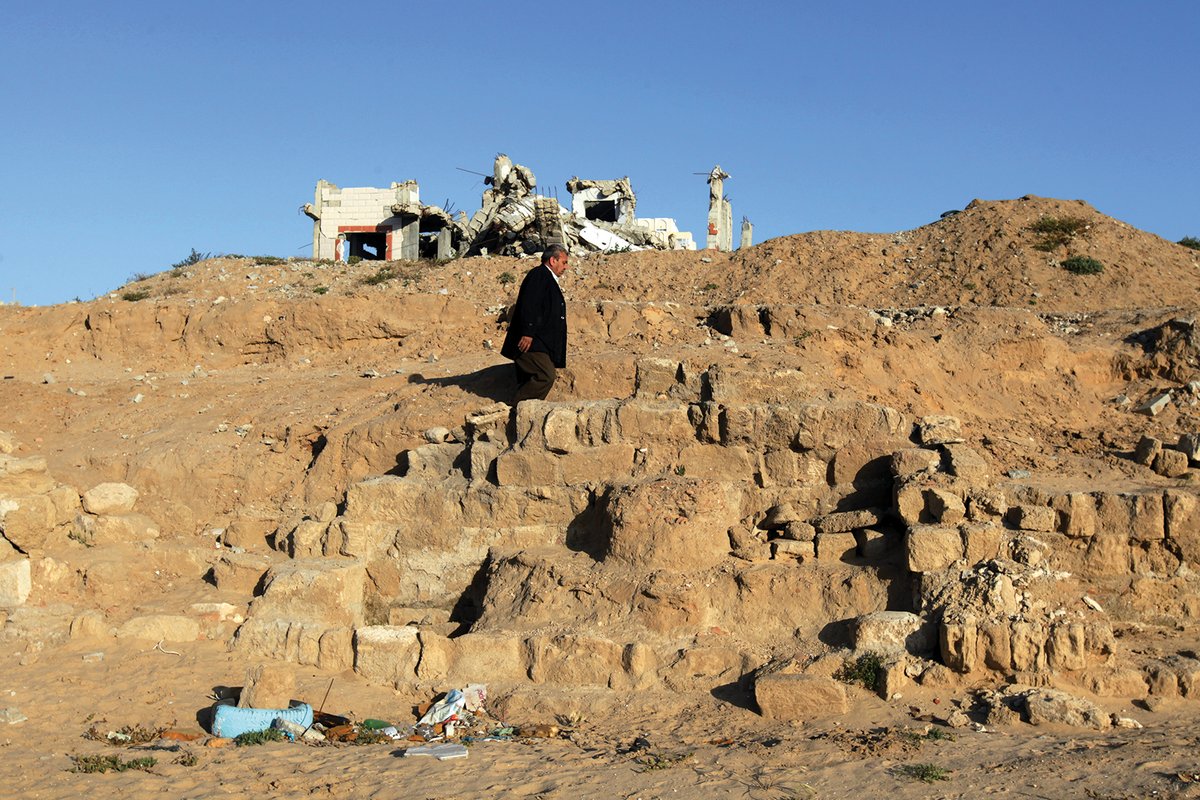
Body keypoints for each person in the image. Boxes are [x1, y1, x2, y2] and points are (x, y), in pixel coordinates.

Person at [501, 244, 569, 402]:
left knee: (538, 375)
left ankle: (527, 409)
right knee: (545, 375)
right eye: (564, 262)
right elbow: (530, 304)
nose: (566, 267)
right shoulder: (539, 275)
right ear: (553, 260)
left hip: (540, 342)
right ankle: (518, 408)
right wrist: (528, 333)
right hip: (531, 342)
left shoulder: (547, 278)